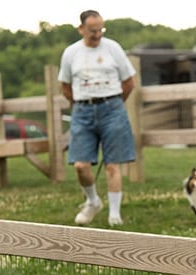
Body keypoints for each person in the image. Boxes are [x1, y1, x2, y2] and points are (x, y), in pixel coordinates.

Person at [58, 10, 137, 226]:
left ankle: (114, 215)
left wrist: (115, 104)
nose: (97, 34)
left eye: (101, 29)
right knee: (80, 165)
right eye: (93, 30)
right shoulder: (71, 53)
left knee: (113, 164)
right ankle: (93, 201)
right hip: (83, 111)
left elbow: (129, 82)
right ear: (81, 29)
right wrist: (82, 104)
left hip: (112, 108)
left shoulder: (113, 48)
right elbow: (65, 86)